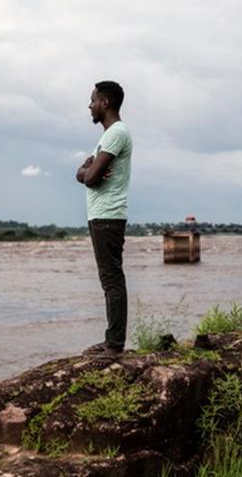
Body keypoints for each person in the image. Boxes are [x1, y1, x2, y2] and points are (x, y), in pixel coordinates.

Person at [76, 81, 132, 358]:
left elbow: (91, 178)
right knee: (108, 280)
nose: (89, 105)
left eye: (92, 100)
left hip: (108, 215)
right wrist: (85, 171)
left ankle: (114, 345)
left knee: (112, 280)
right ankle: (112, 340)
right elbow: (85, 174)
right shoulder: (110, 135)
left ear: (105, 102)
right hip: (101, 215)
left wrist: (87, 171)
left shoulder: (116, 134)